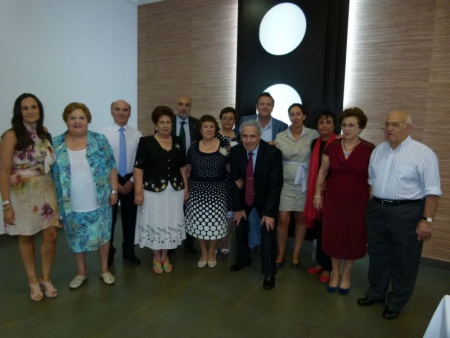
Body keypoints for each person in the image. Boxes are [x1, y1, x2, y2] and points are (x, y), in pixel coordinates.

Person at [357, 111, 441, 320]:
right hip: (377, 210)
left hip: (407, 213)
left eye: (395, 124)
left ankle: (396, 301)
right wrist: (372, 206)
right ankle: (376, 293)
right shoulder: (378, 151)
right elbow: (371, 182)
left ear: (408, 128)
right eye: (386, 124)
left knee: (405, 260)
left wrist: (426, 220)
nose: (389, 128)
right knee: (377, 255)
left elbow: (432, 191)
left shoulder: (423, 154)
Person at [0, 93, 61, 301]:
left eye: (33, 107)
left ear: (39, 110)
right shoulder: (11, 135)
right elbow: (3, 172)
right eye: (25, 108)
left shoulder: (44, 132)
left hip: (45, 188)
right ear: (19, 111)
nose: (30, 111)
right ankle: (33, 281)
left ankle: (46, 278)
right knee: (26, 235)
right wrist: (6, 204)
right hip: (22, 192)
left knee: (51, 235)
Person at [52, 102, 118, 289]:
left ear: (88, 120)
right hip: (70, 203)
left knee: (103, 236)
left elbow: (112, 166)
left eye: (81, 118)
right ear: (66, 120)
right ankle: (81, 272)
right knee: (76, 238)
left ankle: (104, 269)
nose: (77, 121)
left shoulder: (99, 140)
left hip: (100, 199)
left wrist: (114, 191)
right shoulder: (56, 143)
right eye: (73, 118)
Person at [313, 107, 374, 295]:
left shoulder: (369, 149)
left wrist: (371, 202)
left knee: (352, 238)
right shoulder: (332, 146)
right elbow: (322, 172)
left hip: (357, 202)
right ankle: (335, 273)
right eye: (345, 125)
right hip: (334, 199)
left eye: (352, 125)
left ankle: (347, 274)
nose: (347, 129)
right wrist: (317, 195)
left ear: (361, 127)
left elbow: (373, 179)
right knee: (333, 236)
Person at [229, 119, 283, 290]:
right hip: (244, 197)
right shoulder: (236, 152)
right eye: (244, 136)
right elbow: (235, 181)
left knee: (267, 233)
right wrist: (238, 208)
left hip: (265, 199)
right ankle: (243, 259)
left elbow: (276, 185)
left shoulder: (272, 153)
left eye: (252, 136)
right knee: (240, 227)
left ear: (259, 136)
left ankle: (269, 273)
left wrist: (268, 212)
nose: (248, 140)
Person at [134, 106, 188, 273]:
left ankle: (166, 254)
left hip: (175, 190)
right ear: (156, 124)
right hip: (152, 191)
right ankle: (156, 256)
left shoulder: (178, 141)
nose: (165, 125)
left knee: (171, 221)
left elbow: (182, 167)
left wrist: (186, 187)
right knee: (155, 221)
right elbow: (138, 168)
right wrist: (138, 192)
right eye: (161, 122)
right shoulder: (146, 142)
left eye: (168, 122)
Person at [235, 92, 288, 253]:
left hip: (266, 176)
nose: (265, 107)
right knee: (249, 214)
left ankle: (263, 246)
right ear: (257, 106)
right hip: (249, 173)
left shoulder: (281, 126)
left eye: (268, 104)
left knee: (266, 212)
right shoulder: (245, 121)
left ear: (273, 107)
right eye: (262, 104)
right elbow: (239, 145)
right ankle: (253, 244)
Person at [274, 103, 318, 269]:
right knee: (283, 219)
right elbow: (273, 155)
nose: (295, 117)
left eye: (298, 114)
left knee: (301, 218)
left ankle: (296, 254)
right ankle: (281, 253)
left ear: (304, 116)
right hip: (285, 182)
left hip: (305, 183)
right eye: (292, 114)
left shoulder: (313, 134)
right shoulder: (281, 136)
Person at [101, 100, 142, 266]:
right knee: (109, 221)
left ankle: (129, 251)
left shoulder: (137, 134)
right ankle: (109, 252)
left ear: (129, 113)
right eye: (117, 109)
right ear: (112, 112)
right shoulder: (102, 135)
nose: (121, 113)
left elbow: (140, 161)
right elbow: (101, 162)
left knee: (130, 219)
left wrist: (133, 181)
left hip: (131, 179)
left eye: (125, 110)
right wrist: (113, 184)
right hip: (111, 180)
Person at [185, 115, 229, 268]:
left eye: (211, 126)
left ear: (215, 129)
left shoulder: (224, 145)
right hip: (197, 191)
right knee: (199, 223)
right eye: (206, 126)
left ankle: (212, 252)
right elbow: (188, 169)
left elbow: (230, 168)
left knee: (215, 224)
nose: (209, 129)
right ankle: (204, 252)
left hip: (217, 191)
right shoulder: (193, 147)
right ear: (200, 129)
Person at [304, 111, 337, 283]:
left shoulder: (338, 143)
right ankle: (320, 262)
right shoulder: (314, 143)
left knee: (328, 229)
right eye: (321, 122)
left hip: (332, 192)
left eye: (328, 122)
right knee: (317, 229)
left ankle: (329, 267)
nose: (324, 125)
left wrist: (328, 182)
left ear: (333, 125)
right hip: (315, 190)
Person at [172, 95, 201, 254]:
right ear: (176, 105)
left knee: (190, 207)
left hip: (192, 172)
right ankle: (172, 240)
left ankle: (189, 243)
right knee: (173, 207)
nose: (183, 108)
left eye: (187, 105)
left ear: (190, 107)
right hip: (171, 172)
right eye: (180, 104)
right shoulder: (167, 122)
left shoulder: (197, 124)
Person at [216, 107, 241, 255]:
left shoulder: (238, 138)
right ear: (220, 118)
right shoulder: (215, 137)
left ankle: (225, 239)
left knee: (231, 212)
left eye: (230, 118)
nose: (227, 120)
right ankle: (217, 239)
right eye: (225, 117)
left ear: (234, 121)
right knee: (219, 211)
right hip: (219, 179)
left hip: (235, 180)